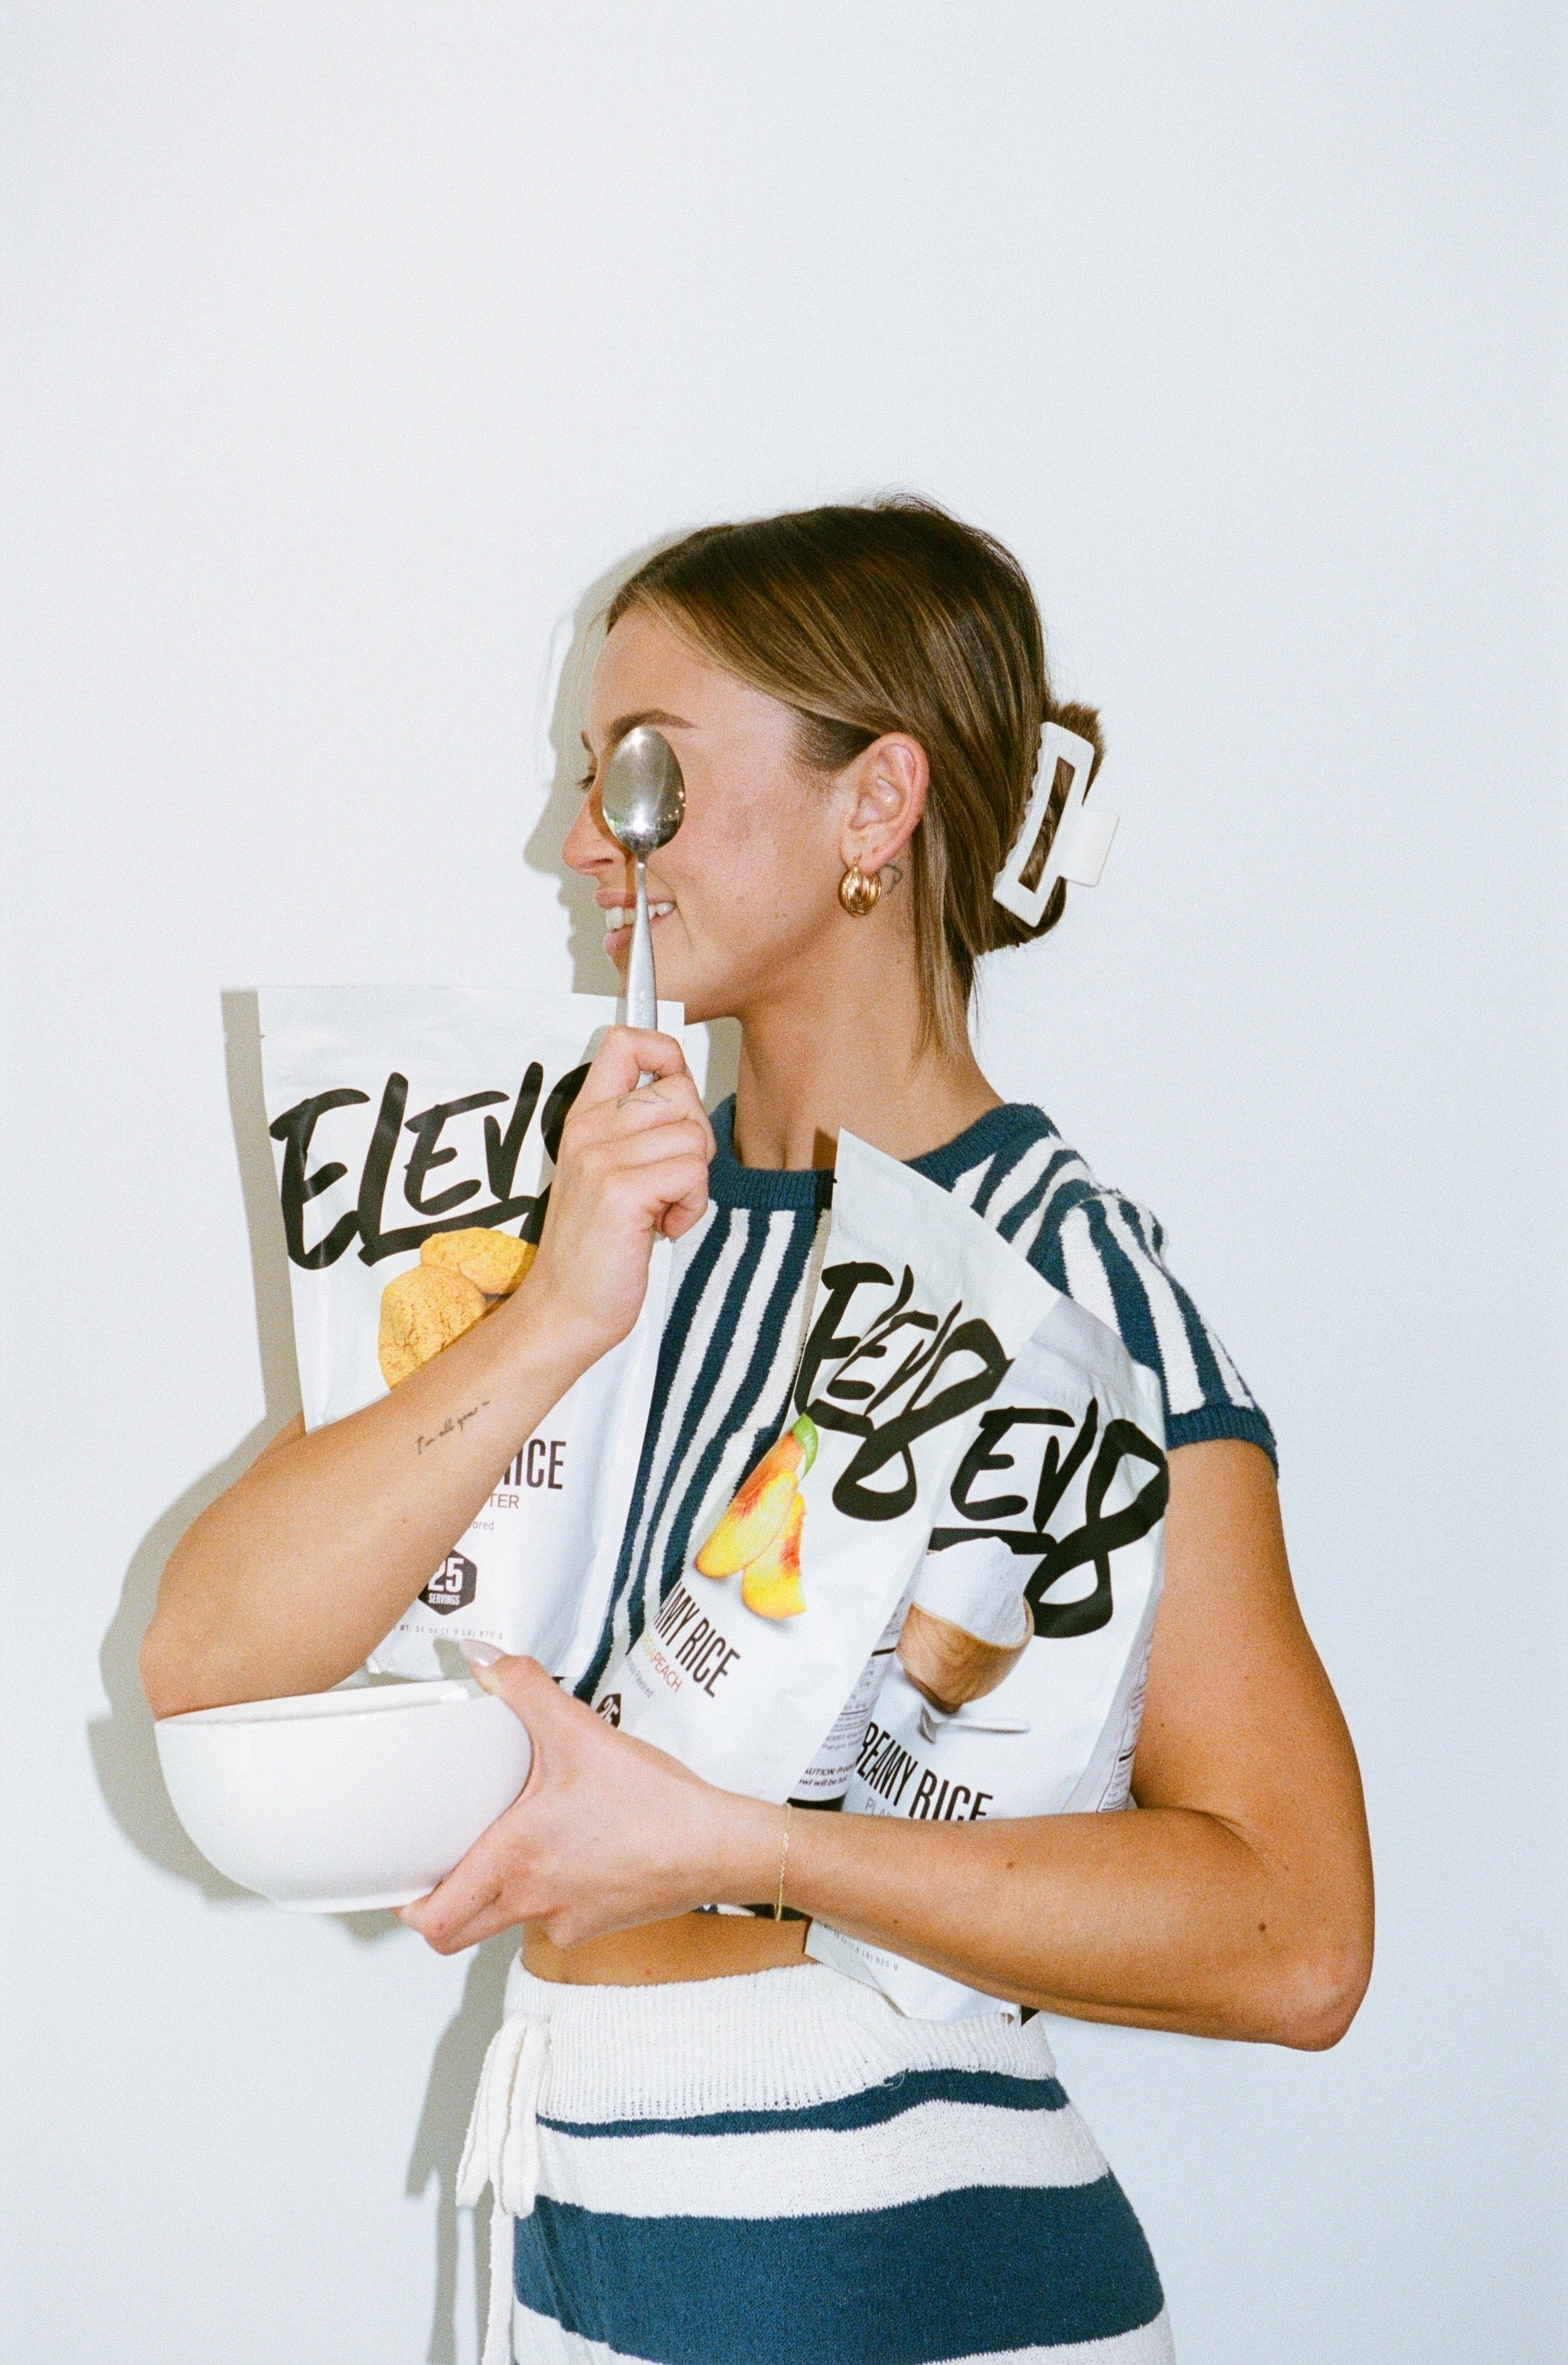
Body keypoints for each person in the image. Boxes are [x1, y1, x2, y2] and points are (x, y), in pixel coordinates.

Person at [142, 499, 1374, 2365]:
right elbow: (209, 1659)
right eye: (587, 778)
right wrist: (562, 1311)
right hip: (599, 2250)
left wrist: (726, 1841)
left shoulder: (1063, 1287)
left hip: (895, 2279)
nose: (580, 841)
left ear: (874, 806)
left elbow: (1296, 1935)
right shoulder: (596, 1222)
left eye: (643, 773)